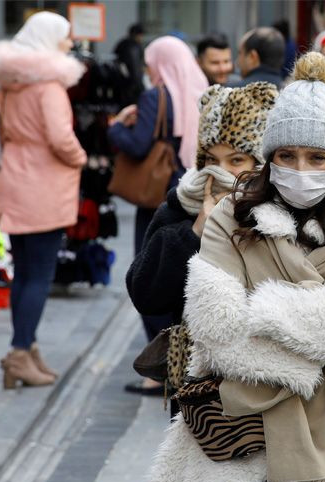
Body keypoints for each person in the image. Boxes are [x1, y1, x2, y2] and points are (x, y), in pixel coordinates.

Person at [146, 53, 325, 482]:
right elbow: (216, 327)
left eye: (317, 157)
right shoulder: (231, 214)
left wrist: (259, 309)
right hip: (237, 434)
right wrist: (313, 351)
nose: (300, 169)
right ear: (270, 157)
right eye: (288, 155)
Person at [125, 81, 278, 394]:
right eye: (211, 160)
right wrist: (193, 232)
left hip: (266, 380)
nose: (220, 172)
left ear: (259, 164)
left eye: (235, 161)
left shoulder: (281, 213)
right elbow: (145, 294)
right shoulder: (181, 207)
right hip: (197, 382)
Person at [0, 12, 87, 388]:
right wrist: (82, 158)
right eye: (64, 36)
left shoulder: (6, 84)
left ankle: (26, 350)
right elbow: (61, 140)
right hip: (44, 186)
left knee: (24, 272)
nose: (69, 42)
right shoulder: (48, 88)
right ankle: (19, 351)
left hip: (14, 180)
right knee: (39, 276)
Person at [108, 36, 208, 395]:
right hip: (193, 192)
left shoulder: (155, 96)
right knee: (182, 278)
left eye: (152, 62)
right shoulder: (200, 92)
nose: (148, 68)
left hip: (158, 198)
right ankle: (179, 360)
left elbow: (137, 145)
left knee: (150, 272)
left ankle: (159, 368)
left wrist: (117, 126)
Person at [113, 23, 145, 105]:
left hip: (121, 82)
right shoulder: (134, 47)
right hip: (132, 84)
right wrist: (139, 85)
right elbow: (135, 67)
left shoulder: (122, 43)